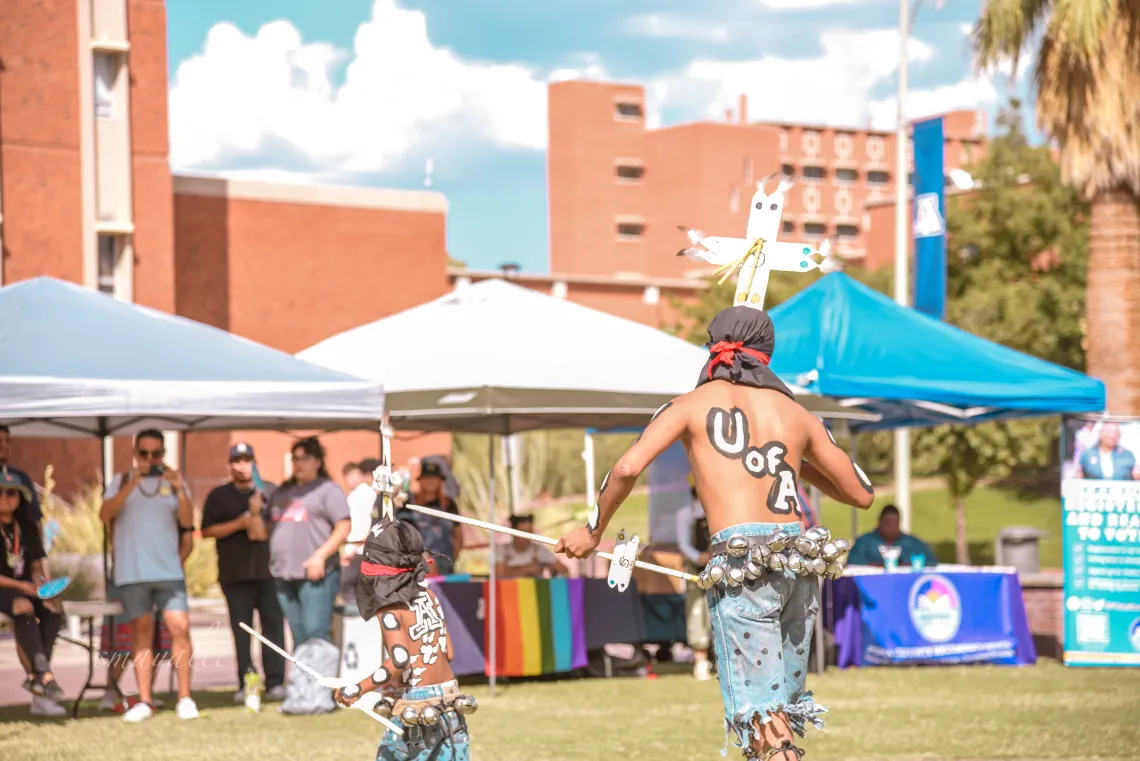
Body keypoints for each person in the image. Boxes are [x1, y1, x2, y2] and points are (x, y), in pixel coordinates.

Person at [555, 305, 875, 761]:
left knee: (765, 722)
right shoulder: (795, 411)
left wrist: (593, 530)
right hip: (798, 560)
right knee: (777, 709)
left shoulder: (690, 404)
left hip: (743, 562)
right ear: (767, 354)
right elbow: (860, 493)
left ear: (714, 349)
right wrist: (785, 458)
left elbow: (627, 467)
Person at [334, 516, 477, 761]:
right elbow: (448, 652)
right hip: (450, 697)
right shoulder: (429, 596)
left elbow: (400, 659)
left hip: (417, 705)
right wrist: (396, 683)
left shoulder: (390, 608)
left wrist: (357, 688)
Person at [99, 429, 198, 722]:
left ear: (163, 454)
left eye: (156, 453)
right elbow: (105, 515)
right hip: (133, 573)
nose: (150, 459)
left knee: (180, 629)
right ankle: (144, 701)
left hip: (168, 572)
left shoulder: (175, 482)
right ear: (135, 453)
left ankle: (185, 698)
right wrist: (133, 484)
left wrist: (180, 489)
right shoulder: (121, 481)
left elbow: (188, 522)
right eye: (144, 453)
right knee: (141, 638)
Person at [201, 442, 287, 703]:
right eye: (237, 461)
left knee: (273, 627)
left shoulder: (271, 492)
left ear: (254, 463)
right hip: (234, 575)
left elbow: (280, 527)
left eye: (247, 460)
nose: (242, 466)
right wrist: (240, 523)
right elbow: (206, 531)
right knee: (242, 631)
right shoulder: (218, 496)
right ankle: (246, 682)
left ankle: (275, 682)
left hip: (269, 573)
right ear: (230, 465)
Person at [268, 436, 352, 646]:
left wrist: (319, 557)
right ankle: (304, 679)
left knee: (315, 633)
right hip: (284, 574)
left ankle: (320, 679)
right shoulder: (282, 492)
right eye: (295, 459)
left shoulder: (327, 490)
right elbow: (263, 529)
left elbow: (344, 527)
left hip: (317, 576)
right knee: (298, 634)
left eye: (304, 458)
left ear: (317, 462)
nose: (298, 463)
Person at [0, 470, 65, 714]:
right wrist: (23, 587)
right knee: (22, 606)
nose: (4, 497)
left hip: (25, 587)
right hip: (7, 589)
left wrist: (41, 583)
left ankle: (38, 677)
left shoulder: (27, 526)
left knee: (53, 604)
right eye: (0, 492)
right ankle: (44, 674)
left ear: (19, 497)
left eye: (10, 492)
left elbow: (37, 565)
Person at [675, 474, 713, 680]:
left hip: (719, 567)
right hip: (696, 569)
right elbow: (684, 544)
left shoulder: (719, 510)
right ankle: (700, 660)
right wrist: (700, 557)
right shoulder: (686, 513)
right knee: (697, 612)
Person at [397, 461, 462, 576]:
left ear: (440, 481)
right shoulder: (409, 504)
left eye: (434, 478)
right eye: (427, 478)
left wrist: (452, 557)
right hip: (419, 567)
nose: (430, 482)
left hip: (446, 565)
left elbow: (458, 534)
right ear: (420, 480)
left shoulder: (449, 505)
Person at [847, 505, 938, 568]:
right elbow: (853, 563)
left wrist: (907, 566)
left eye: (895, 523)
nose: (891, 527)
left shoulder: (912, 542)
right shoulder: (865, 542)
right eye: (887, 523)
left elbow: (931, 563)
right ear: (879, 522)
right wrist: (881, 566)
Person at [495, 514, 567, 579]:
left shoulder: (539, 550)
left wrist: (554, 570)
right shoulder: (502, 550)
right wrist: (526, 569)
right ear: (513, 532)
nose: (526, 537)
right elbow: (498, 574)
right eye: (522, 532)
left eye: (529, 532)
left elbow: (565, 571)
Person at [1074, 422, 1140, 480]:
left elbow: (1135, 475)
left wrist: (1136, 476)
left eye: (1116, 432)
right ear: (1100, 433)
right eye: (1109, 432)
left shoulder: (1127, 455)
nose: (1112, 436)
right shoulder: (1087, 454)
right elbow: (1079, 475)